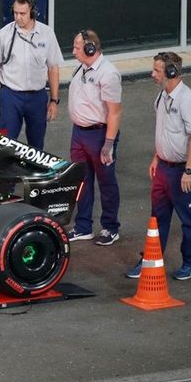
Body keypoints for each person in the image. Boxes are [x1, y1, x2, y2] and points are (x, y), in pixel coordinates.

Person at [127, 52, 191, 281]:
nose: (152, 74)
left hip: (183, 170)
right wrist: (157, 157)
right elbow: (163, 131)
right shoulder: (162, 97)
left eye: (157, 71)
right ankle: (151, 260)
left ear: (171, 72)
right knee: (157, 217)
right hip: (163, 168)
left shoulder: (188, 100)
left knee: (189, 218)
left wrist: (189, 171)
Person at [0, 0, 63, 150]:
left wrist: (54, 100)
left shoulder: (47, 34)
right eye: (15, 13)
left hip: (37, 98)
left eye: (23, 13)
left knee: (37, 146)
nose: (18, 17)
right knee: (5, 143)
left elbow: (53, 68)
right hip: (11, 97)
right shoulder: (4, 34)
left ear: (32, 12)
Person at [66, 29, 122, 246]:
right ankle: (83, 227)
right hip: (79, 133)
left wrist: (108, 143)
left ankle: (110, 227)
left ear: (91, 49)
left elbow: (115, 112)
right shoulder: (82, 68)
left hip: (99, 134)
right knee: (82, 180)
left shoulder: (108, 74)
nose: (73, 52)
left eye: (77, 48)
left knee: (106, 182)